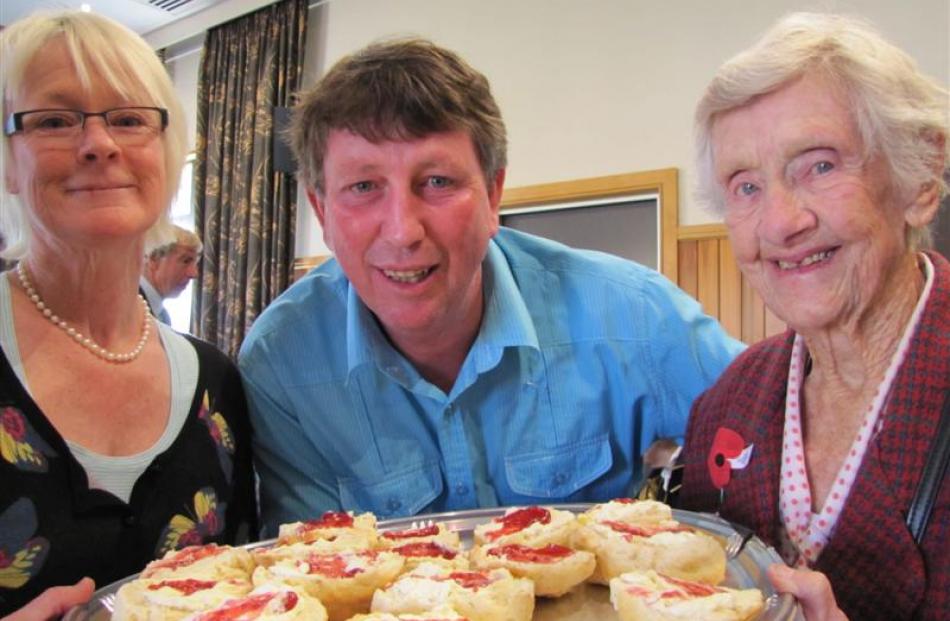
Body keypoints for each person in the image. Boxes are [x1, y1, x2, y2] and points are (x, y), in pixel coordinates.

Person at [238, 37, 744, 536]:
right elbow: (312, 568)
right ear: (323, 211)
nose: (402, 231)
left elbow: (778, 425)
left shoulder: (631, 314)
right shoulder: (282, 362)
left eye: (437, 181)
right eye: (363, 187)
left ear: (494, 193)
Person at [677, 12, 948, 621]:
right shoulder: (727, 404)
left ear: (921, 179)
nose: (780, 222)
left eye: (820, 166)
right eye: (745, 187)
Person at [0, 11, 256, 617]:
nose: (99, 143)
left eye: (129, 119)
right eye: (55, 120)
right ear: (9, 161)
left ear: (166, 154)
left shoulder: (217, 384)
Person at [140, 224, 202, 324]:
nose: (194, 273)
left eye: (195, 263)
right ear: (154, 259)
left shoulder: (163, 316)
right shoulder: (128, 310)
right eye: (186, 261)